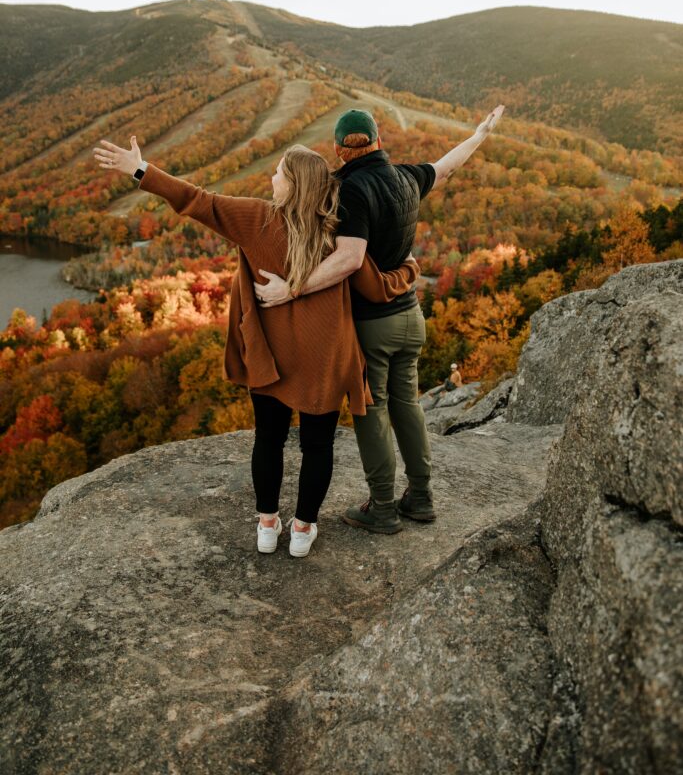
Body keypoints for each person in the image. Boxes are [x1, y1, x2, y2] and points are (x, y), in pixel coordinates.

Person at [92, 137, 419, 558]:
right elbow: (374, 283)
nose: (271, 177)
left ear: (292, 185)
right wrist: (407, 271)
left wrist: (140, 170)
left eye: (278, 172)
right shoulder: (339, 231)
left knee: (269, 438)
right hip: (325, 356)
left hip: (272, 354)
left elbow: (196, 200)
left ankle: (268, 525)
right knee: (317, 447)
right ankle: (302, 531)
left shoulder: (257, 220)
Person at [255, 104, 505, 533]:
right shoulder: (407, 177)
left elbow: (350, 260)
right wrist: (479, 135)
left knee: (373, 411)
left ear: (337, 150)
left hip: (372, 322)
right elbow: (445, 167)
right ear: (379, 141)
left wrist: (290, 288)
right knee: (408, 404)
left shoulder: (348, 189)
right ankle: (421, 497)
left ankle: (384, 506)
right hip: (410, 315)